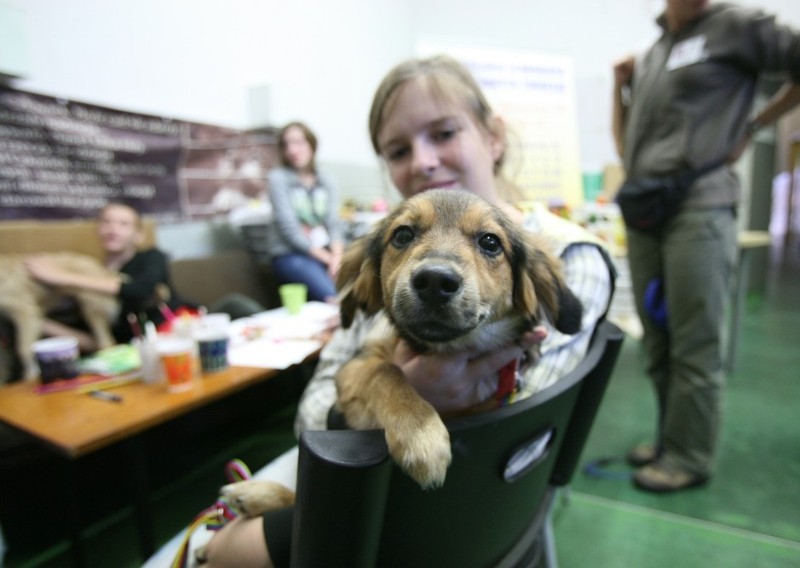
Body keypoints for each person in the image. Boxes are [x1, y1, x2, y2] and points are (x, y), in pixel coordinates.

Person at [197, 54, 615, 568]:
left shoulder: (570, 255)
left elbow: (517, 453)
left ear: (493, 136)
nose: (422, 162)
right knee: (211, 552)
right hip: (358, 491)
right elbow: (314, 416)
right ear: (369, 281)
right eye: (397, 150)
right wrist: (397, 392)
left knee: (223, 554)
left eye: (443, 133)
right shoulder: (373, 282)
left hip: (474, 516)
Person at [611, 0, 800, 492]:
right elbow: (627, 145)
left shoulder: (736, 26)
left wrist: (757, 124)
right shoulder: (655, 50)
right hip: (647, 208)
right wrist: (620, 87)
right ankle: (668, 438)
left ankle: (689, 456)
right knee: (658, 339)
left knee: (695, 341)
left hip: (701, 206)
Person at [24, 201, 175, 349]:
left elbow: (141, 289)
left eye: (124, 224)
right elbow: (99, 341)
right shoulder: (91, 271)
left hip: (174, 331)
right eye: (106, 222)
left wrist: (61, 276)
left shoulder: (151, 257)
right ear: (97, 229)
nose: (113, 229)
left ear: (139, 235)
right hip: (126, 351)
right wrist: (40, 324)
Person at [266, 121, 345, 303]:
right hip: (291, 254)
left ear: (311, 145)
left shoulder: (326, 180)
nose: (292, 150)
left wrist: (337, 257)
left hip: (326, 252)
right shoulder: (278, 179)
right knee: (333, 295)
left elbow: (333, 222)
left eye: (299, 142)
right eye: (286, 144)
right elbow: (290, 230)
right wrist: (328, 259)